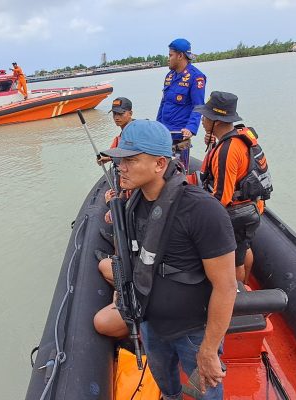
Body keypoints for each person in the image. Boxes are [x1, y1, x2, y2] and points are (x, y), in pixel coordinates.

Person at [99, 119, 237, 399]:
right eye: (119, 160)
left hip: (193, 331)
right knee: (165, 383)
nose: (121, 167)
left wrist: (209, 349)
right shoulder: (131, 206)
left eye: (131, 160)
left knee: (206, 391)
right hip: (150, 321)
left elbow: (225, 286)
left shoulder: (201, 211)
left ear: (160, 164)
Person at [195, 91, 273, 283]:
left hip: (238, 214)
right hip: (253, 207)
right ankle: (245, 283)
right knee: (244, 248)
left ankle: (237, 292)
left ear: (217, 121)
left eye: (206, 116)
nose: (202, 120)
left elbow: (222, 198)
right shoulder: (238, 136)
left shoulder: (227, 150)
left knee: (234, 262)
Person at [156, 38, 206, 170]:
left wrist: (191, 128)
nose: (168, 58)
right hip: (165, 136)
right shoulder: (169, 76)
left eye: (170, 55)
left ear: (180, 56)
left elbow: (199, 106)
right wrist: (157, 126)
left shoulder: (196, 77)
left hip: (180, 137)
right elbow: (163, 103)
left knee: (177, 175)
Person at [98, 97, 134, 165]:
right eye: (114, 113)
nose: (116, 117)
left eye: (120, 113)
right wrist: (110, 158)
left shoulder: (136, 131)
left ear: (130, 113)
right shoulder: (124, 132)